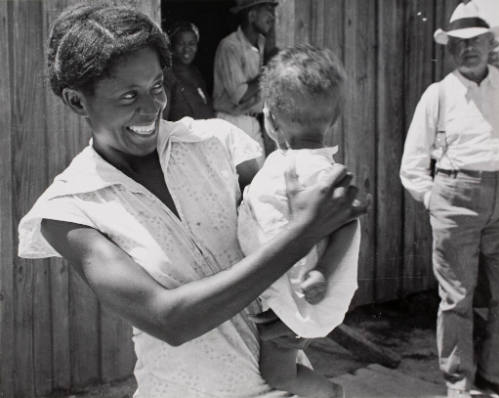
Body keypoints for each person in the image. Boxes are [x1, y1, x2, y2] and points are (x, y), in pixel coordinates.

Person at [17, 4, 368, 398]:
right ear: (77, 101)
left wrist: (309, 313)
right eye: (129, 95)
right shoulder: (71, 208)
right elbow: (168, 320)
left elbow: (296, 221)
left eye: (156, 87)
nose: (152, 108)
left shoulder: (217, 143)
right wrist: (304, 234)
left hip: (282, 385)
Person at [238, 45, 362, 398]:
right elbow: (347, 223)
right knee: (278, 360)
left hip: (293, 300)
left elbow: (346, 222)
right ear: (334, 118)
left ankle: (328, 392)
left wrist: (321, 271)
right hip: (296, 298)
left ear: (270, 120)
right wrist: (322, 271)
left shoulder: (295, 171)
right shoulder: (322, 170)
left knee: (276, 375)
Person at [400, 2, 499, 397]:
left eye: (475, 40)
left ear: (490, 42)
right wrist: (436, 202)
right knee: (457, 297)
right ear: (449, 50)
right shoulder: (437, 95)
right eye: (459, 43)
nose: (468, 48)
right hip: (455, 199)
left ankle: (494, 376)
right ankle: (460, 384)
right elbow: (412, 164)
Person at [212, 0, 278, 165]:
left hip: (253, 121)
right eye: (267, 11)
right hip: (232, 121)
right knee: (239, 182)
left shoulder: (262, 45)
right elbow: (239, 96)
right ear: (252, 15)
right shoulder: (230, 46)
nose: (273, 17)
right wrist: (268, 68)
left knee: (257, 182)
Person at [162, 21, 215, 121]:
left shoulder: (195, 73)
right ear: (172, 46)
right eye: (181, 44)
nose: (186, 49)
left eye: (191, 44)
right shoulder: (168, 76)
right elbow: (164, 118)